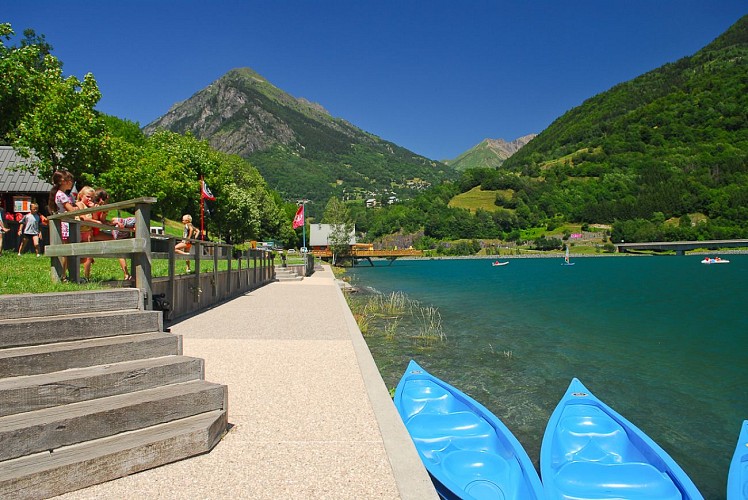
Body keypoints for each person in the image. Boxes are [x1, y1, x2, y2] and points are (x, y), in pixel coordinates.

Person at [92, 188, 132, 281]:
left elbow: (103, 220)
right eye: (107, 198)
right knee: (117, 245)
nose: (108, 201)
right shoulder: (95, 207)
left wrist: (114, 222)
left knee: (117, 245)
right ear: (102, 198)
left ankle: (126, 274)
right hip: (93, 232)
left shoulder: (102, 208)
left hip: (97, 231)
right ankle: (126, 274)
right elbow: (97, 219)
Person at [48, 170, 75, 280]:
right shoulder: (62, 195)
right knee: (65, 250)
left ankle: (65, 274)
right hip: (65, 224)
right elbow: (71, 210)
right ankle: (63, 275)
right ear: (63, 181)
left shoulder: (61, 194)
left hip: (65, 223)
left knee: (66, 250)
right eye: (70, 180)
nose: (72, 182)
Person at [75, 186, 98, 281]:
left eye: (92, 198)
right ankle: (74, 275)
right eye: (88, 196)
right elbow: (83, 217)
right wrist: (96, 222)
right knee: (77, 255)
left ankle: (86, 277)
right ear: (81, 195)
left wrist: (94, 210)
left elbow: (95, 218)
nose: (90, 199)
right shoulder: (79, 204)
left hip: (88, 232)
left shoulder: (90, 207)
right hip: (78, 231)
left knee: (88, 256)